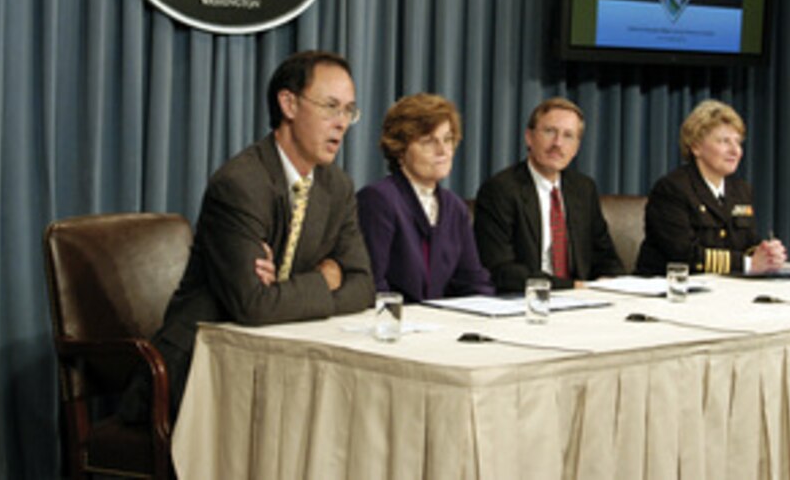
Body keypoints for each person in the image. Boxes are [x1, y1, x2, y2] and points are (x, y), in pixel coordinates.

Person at [121, 50, 374, 421]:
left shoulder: (337, 187)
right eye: (330, 107)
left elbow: (363, 286)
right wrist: (324, 280)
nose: (342, 124)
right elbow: (253, 306)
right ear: (288, 103)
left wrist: (285, 293)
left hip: (284, 367)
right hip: (200, 374)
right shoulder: (240, 184)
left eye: (349, 111)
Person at [474, 97, 624, 294]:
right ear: (529, 137)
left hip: (582, 301)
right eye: (549, 131)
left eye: (568, 136)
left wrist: (611, 282)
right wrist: (571, 287)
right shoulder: (500, 190)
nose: (558, 143)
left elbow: (606, 257)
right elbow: (503, 270)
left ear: (577, 148)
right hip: (524, 302)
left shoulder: (583, 189)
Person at [357, 94, 494, 301]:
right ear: (400, 150)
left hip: (439, 327)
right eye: (428, 141)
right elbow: (373, 284)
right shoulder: (378, 200)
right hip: (394, 325)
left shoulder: (454, 207)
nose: (442, 151)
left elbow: (472, 280)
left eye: (447, 139)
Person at [635, 99, 786, 277]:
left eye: (738, 143)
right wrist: (749, 263)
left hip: (724, 287)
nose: (735, 150)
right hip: (670, 291)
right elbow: (685, 254)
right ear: (696, 147)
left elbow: (747, 243)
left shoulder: (741, 190)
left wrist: (767, 253)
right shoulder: (672, 189)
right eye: (724, 141)